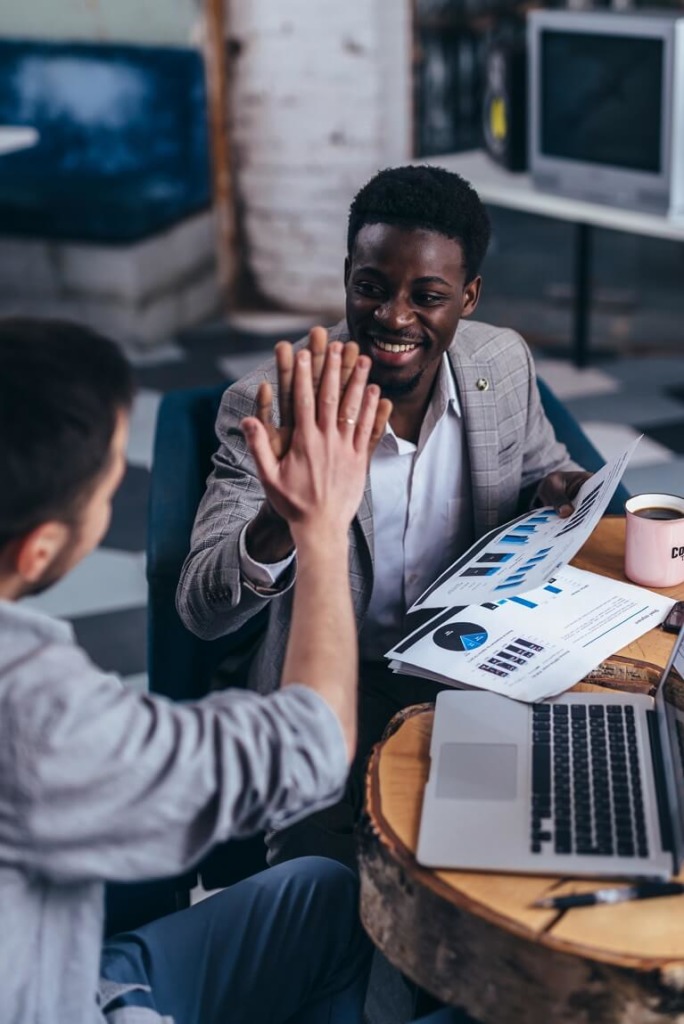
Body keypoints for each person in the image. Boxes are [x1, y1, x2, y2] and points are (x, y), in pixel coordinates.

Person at [177, 164, 592, 869]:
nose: (393, 317)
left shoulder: (504, 363)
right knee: (329, 888)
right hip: (338, 687)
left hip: (473, 667)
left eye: (426, 296)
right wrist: (282, 522)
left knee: (527, 847)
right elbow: (200, 609)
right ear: (347, 274)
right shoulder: (272, 406)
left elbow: (534, 470)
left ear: (469, 297)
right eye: (371, 286)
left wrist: (555, 485)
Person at [0, 318, 391, 1024]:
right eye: (110, 479)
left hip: (51, 953)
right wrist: (322, 526)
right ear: (39, 551)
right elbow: (310, 745)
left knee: (321, 895)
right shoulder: (35, 712)